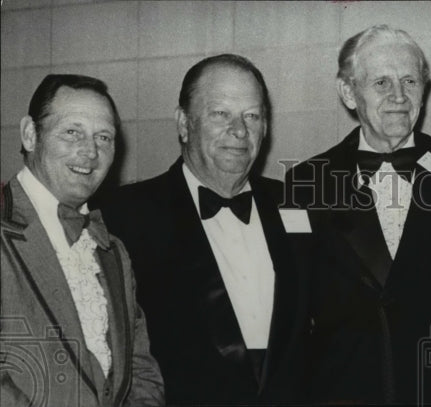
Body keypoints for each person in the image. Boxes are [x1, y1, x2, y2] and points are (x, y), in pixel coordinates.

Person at [284, 25, 431, 404]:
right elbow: (295, 305)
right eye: (381, 82)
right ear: (348, 92)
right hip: (344, 389)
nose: (398, 96)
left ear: (424, 89)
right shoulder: (306, 181)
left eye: (409, 80)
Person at [93, 54, 308, 404]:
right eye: (220, 113)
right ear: (183, 122)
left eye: (252, 116)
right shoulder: (123, 217)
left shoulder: (296, 206)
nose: (239, 131)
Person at [1, 74, 164, 406]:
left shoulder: (113, 250)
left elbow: (140, 370)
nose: (90, 152)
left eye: (103, 137)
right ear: (31, 135)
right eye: (72, 132)